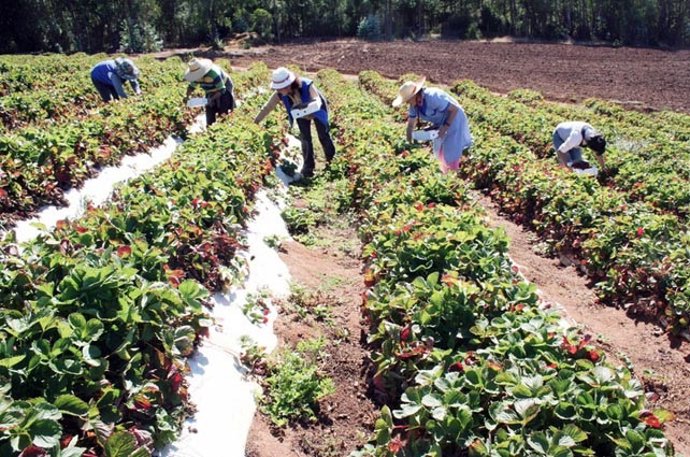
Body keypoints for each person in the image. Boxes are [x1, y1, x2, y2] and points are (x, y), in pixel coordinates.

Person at [254, 67, 336, 179]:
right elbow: (268, 107)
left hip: (317, 110)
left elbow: (317, 99)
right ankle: (308, 169)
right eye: (279, 88)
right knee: (305, 139)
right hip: (300, 113)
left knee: (323, 135)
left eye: (283, 87)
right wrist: (256, 121)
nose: (281, 90)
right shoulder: (279, 94)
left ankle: (332, 162)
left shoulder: (306, 85)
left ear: (289, 84)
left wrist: (308, 105)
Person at [393, 77, 472, 173]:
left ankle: (452, 175)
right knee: (438, 150)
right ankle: (444, 173)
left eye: (408, 100)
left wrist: (445, 127)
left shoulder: (433, 96)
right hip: (441, 123)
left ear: (414, 95)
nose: (407, 102)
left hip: (455, 119)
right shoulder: (414, 106)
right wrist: (409, 140)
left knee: (451, 150)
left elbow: (454, 109)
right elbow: (410, 125)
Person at [183, 58, 235, 126]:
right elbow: (191, 87)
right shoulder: (195, 77)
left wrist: (211, 99)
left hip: (224, 85)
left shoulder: (213, 74)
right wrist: (187, 97)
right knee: (209, 107)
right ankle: (210, 127)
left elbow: (222, 90)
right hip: (210, 89)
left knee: (224, 107)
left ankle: (224, 125)